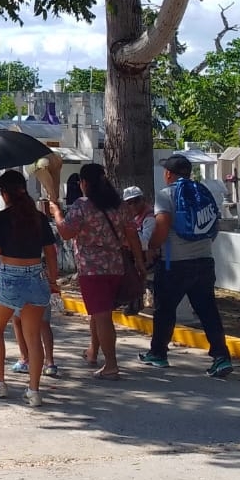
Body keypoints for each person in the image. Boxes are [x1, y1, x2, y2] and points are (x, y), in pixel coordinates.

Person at [48, 163, 146, 380]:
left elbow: (65, 232)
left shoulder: (82, 206)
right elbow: (132, 235)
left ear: (84, 183)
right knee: (100, 313)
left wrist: (56, 213)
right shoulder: (119, 205)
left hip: (92, 270)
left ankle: (111, 365)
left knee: (102, 317)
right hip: (116, 267)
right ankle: (93, 352)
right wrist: (139, 262)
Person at [140, 154, 233, 377]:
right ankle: (221, 357)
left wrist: (152, 245)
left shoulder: (165, 195)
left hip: (175, 264)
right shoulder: (202, 192)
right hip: (204, 261)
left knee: (164, 310)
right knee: (208, 310)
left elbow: (162, 227)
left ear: (169, 174)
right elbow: (214, 226)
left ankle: (159, 353)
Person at [0, 169, 58, 407]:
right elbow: (51, 253)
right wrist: (52, 281)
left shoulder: (1, 219)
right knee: (34, 337)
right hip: (36, 276)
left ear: (4, 193)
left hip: (10, 277)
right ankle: (34, 391)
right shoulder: (39, 218)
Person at [119, 186, 156, 316]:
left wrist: (130, 236)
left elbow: (146, 242)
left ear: (143, 200)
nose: (133, 205)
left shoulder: (149, 217)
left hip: (150, 257)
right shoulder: (131, 218)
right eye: (129, 203)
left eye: (136, 201)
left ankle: (135, 303)